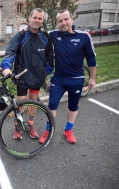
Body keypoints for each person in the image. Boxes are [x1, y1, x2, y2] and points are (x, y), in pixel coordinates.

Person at [39, 9, 96, 144]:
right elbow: (37, 34)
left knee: (73, 106)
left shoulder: (84, 36)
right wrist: (25, 31)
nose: (63, 23)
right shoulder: (53, 35)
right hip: (58, 79)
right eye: (60, 21)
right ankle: (49, 130)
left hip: (76, 79)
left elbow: (91, 58)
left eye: (66, 19)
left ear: (72, 19)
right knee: (52, 105)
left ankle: (68, 131)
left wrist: (92, 78)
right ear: (57, 23)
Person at [0, 8, 54, 140]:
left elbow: (49, 59)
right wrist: (6, 67)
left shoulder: (45, 37)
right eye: (34, 17)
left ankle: (30, 125)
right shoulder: (21, 35)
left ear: (42, 20)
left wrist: (45, 72)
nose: (36, 20)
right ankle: (18, 127)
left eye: (39, 18)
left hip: (37, 77)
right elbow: (10, 52)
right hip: (22, 76)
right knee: (20, 103)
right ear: (29, 18)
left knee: (33, 102)